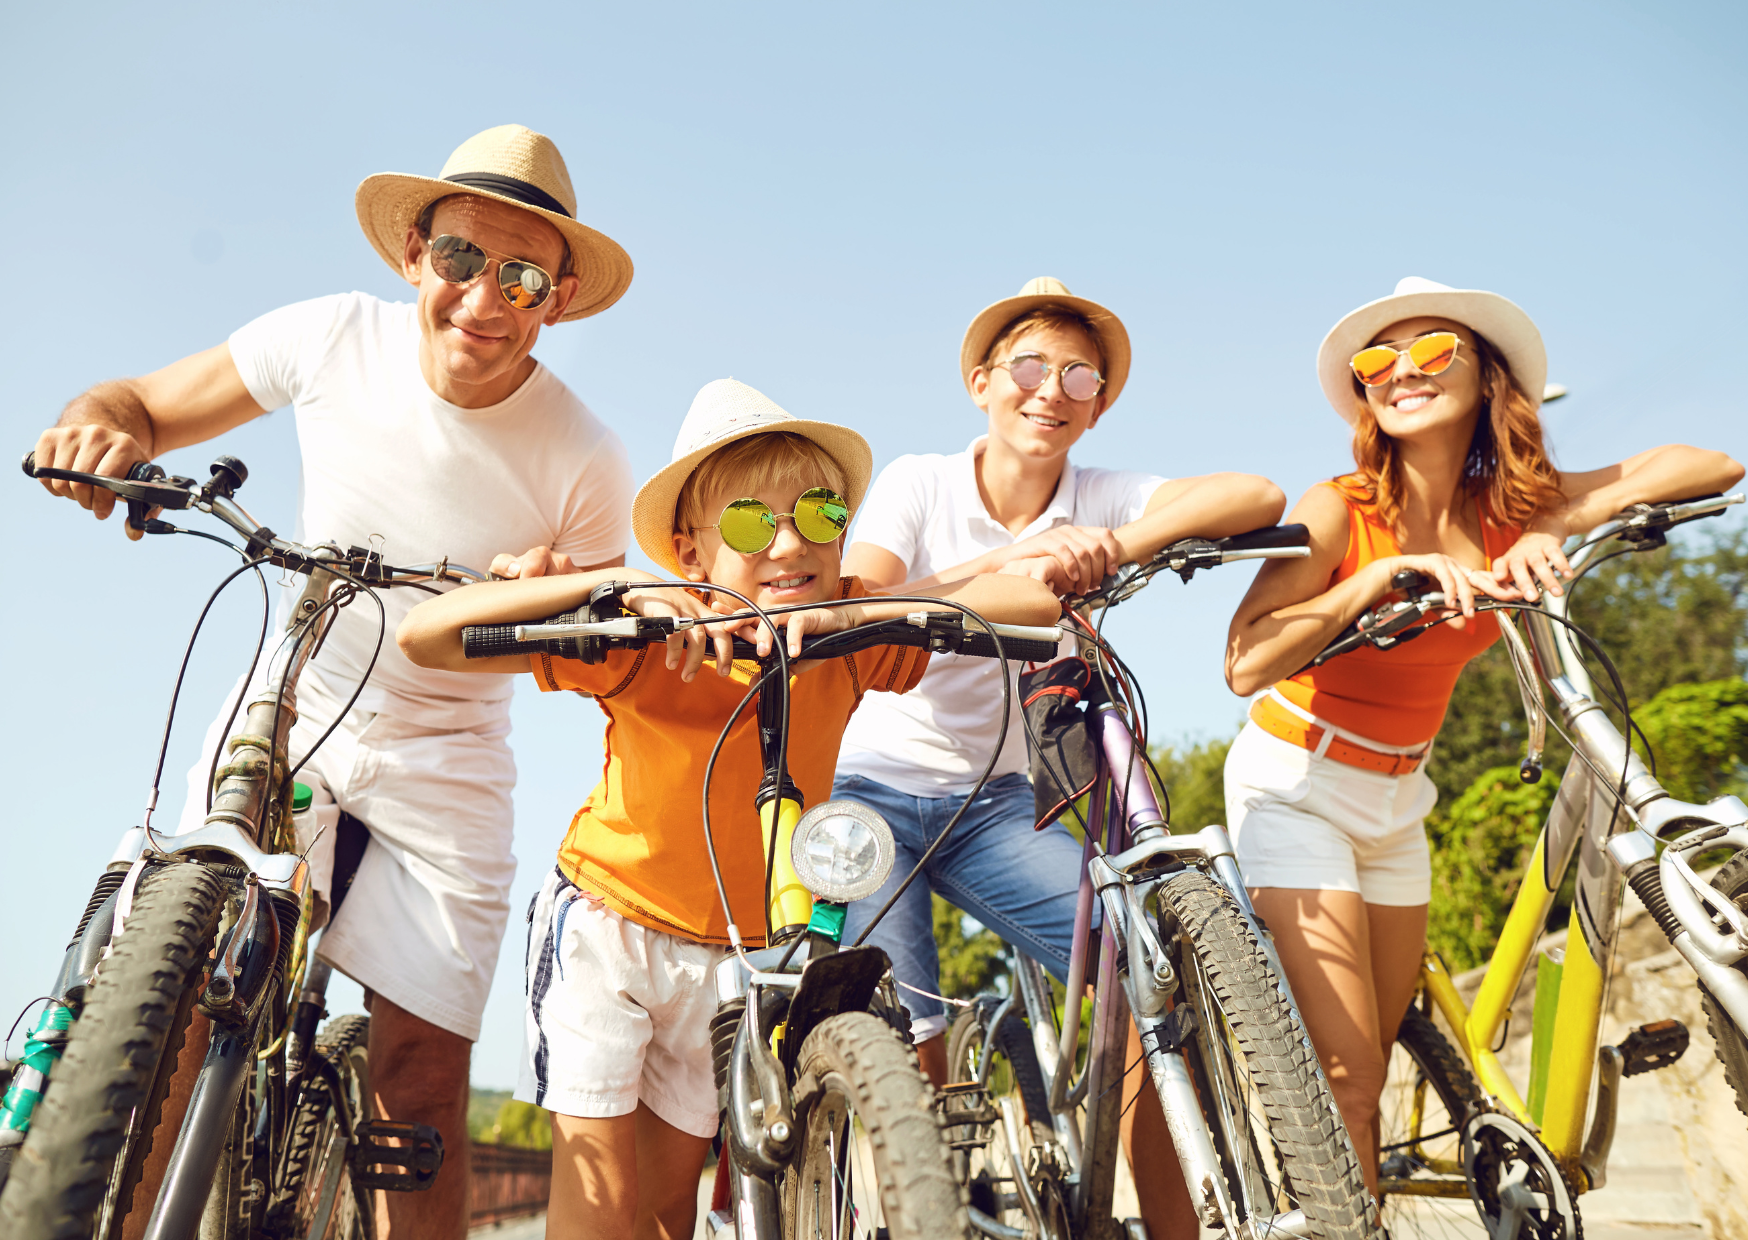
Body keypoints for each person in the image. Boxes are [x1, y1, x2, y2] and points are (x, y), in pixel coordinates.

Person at [30, 124, 637, 1238]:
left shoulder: (585, 456)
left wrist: (553, 601)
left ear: (553, 299)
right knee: (161, 999)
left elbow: (598, 658)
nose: (482, 301)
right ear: (414, 252)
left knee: (418, 1071)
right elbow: (142, 403)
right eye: (461, 259)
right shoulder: (326, 335)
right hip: (291, 692)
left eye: (521, 276)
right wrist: (98, 434)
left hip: (449, 749)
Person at [398, 377, 1060, 1240]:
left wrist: (873, 609)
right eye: (752, 524)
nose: (790, 543)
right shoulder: (653, 642)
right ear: (692, 550)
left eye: (819, 516)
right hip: (611, 931)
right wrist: (622, 589)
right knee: (597, 1217)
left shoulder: (849, 639)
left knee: (670, 1211)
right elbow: (429, 635)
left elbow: (1034, 604)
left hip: (731, 961)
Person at [1222, 276, 1744, 1194]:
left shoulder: (1510, 510)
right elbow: (1244, 659)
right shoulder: (1341, 507)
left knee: (1375, 1067)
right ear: (1362, 392)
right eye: (1378, 360)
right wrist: (1370, 587)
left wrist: (1554, 527)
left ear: (1488, 376)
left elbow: (1709, 466)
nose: (1402, 372)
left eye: (1432, 353)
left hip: (1399, 797)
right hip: (1296, 782)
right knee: (1344, 1078)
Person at [832, 278, 1288, 1233]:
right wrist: (1014, 576)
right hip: (875, 787)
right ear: (982, 383)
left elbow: (1258, 496)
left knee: (1149, 973)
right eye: (1030, 367)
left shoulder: (1097, 496)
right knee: (898, 1042)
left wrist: (1110, 546)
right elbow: (862, 601)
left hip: (997, 805)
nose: (1052, 390)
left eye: (1080, 376)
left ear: (1101, 402)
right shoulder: (920, 480)